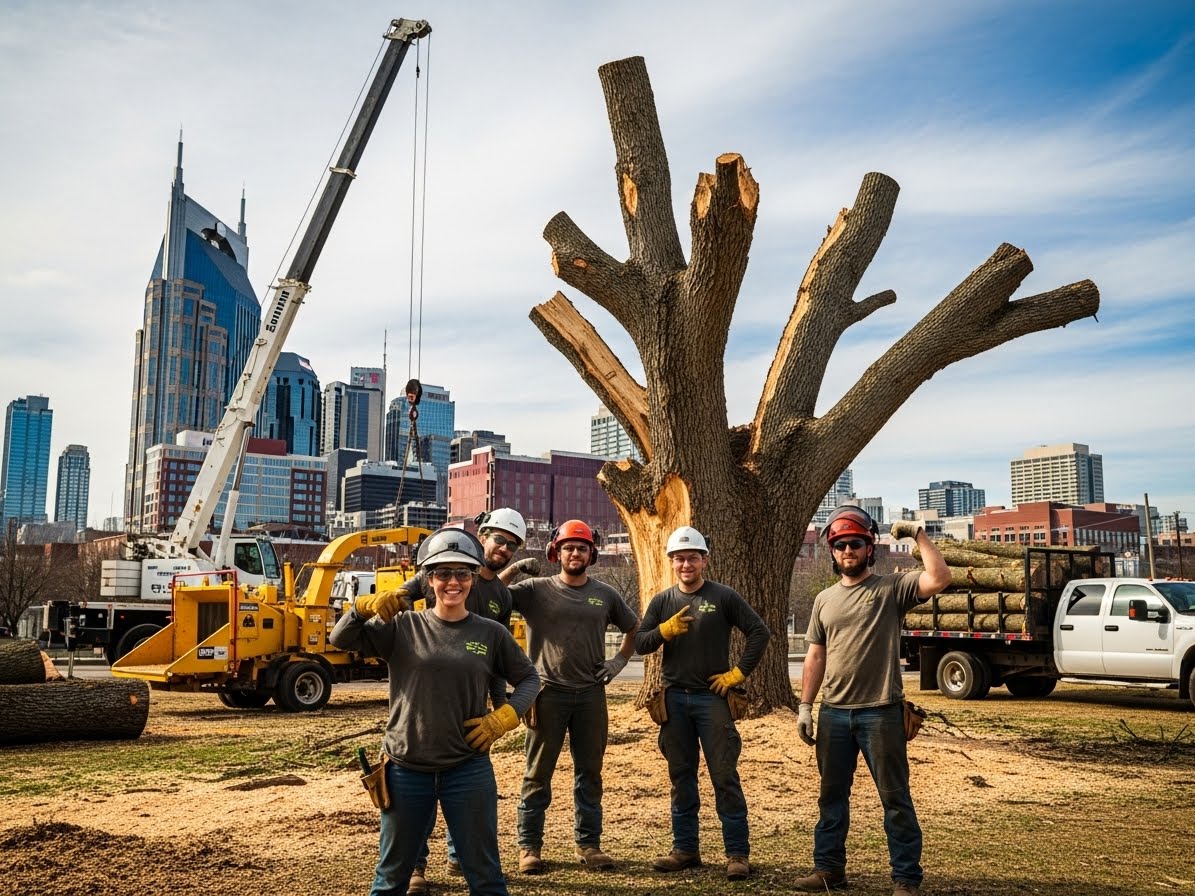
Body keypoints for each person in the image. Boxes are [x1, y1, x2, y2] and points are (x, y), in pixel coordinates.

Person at [329, 527, 540, 896]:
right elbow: (340, 639)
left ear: (474, 578)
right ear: (428, 580)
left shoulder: (491, 633)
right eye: (442, 573)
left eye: (462, 573)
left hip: (468, 768)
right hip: (406, 769)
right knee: (391, 878)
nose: (452, 582)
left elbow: (529, 679)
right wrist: (360, 608)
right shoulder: (402, 627)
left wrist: (506, 716)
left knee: (486, 877)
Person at [794, 508, 951, 896]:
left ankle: (906, 879)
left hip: (881, 712)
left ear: (869, 548)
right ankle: (829, 870)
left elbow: (940, 578)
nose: (848, 550)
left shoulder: (890, 589)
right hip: (833, 714)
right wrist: (805, 706)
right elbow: (816, 656)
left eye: (856, 543)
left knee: (895, 798)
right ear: (831, 552)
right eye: (840, 545)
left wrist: (917, 534)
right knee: (831, 796)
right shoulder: (823, 600)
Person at [400, 509, 530, 895]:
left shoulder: (501, 596)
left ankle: (461, 856)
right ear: (483, 536)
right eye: (499, 540)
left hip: (472, 705)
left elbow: (499, 661)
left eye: (512, 545)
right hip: (425, 693)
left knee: (466, 787)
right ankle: (417, 867)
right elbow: (399, 602)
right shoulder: (443, 571)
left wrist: (501, 710)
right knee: (420, 777)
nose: (504, 549)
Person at [635, 525, 770, 882]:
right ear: (671, 562)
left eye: (692, 557)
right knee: (681, 777)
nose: (685, 564)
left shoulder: (724, 596)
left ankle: (737, 853)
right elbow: (640, 643)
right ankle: (685, 849)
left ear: (705, 560)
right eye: (679, 558)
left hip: (713, 699)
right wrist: (663, 631)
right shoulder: (663, 601)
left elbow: (759, 632)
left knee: (724, 775)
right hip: (674, 699)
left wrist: (737, 674)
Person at [508, 519, 639, 874]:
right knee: (537, 774)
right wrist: (515, 568)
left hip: (591, 697)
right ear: (556, 552)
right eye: (568, 547)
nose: (575, 553)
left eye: (581, 548)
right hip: (547, 694)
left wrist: (618, 661)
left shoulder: (605, 594)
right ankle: (529, 847)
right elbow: (489, 594)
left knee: (590, 773)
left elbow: (634, 628)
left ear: (591, 554)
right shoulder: (534, 589)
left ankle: (589, 844)